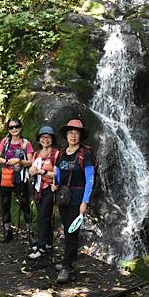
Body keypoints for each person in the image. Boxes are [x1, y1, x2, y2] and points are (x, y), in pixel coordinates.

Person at [52, 118, 95, 283]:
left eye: (76, 133)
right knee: (67, 229)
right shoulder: (62, 153)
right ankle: (69, 261)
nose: (73, 136)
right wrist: (54, 185)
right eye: (70, 133)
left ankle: (66, 267)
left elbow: (89, 180)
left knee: (71, 232)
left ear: (80, 136)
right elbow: (57, 172)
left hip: (77, 198)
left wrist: (85, 202)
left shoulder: (86, 154)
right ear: (66, 135)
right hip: (64, 197)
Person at [0, 118, 34, 243]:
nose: (14, 129)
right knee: (5, 204)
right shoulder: (5, 142)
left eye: (16, 126)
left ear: (20, 128)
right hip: (6, 176)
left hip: (20, 177)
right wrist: (7, 161)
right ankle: (8, 232)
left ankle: (30, 233)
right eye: (11, 127)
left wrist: (19, 161)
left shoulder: (26, 143)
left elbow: (31, 161)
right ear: (8, 129)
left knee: (24, 204)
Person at [27, 126, 59, 260]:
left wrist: (42, 172)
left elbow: (57, 175)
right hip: (38, 189)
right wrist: (32, 170)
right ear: (39, 139)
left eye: (48, 137)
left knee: (43, 218)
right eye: (43, 137)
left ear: (52, 139)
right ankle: (48, 244)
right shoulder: (37, 154)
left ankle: (41, 248)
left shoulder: (56, 154)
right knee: (44, 217)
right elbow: (32, 167)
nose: (45, 140)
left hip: (49, 188)